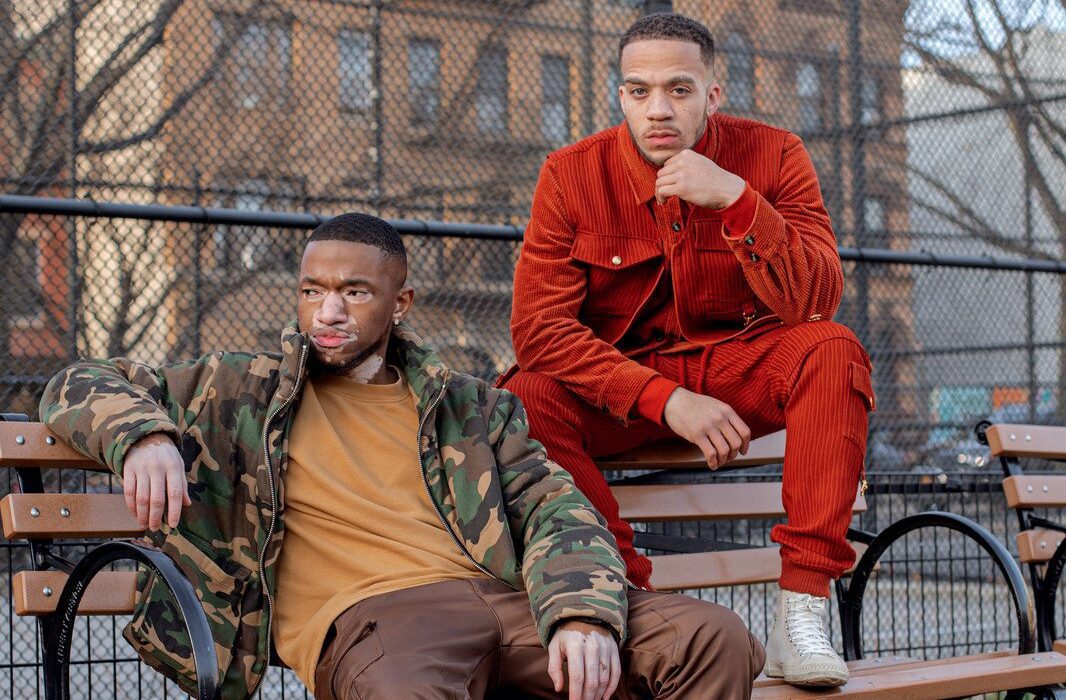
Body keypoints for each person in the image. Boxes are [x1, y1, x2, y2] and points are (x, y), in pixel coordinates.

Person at [40, 213, 764, 699]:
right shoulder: (236, 390)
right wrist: (144, 436)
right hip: (379, 621)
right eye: (313, 291)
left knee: (711, 639)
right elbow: (76, 381)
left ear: (401, 303)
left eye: (354, 292)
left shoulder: (469, 407)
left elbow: (557, 510)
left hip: (509, 602)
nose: (328, 312)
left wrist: (581, 614)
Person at [502, 12, 875, 688]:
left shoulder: (775, 155)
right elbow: (538, 331)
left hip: (739, 365)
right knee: (523, 397)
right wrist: (665, 399)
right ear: (620, 95)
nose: (658, 109)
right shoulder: (570, 174)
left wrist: (737, 200)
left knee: (833, 348)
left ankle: (802, 612)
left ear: (712, 94)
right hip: (624, 386)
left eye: (679, 89)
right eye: (638, 90)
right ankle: (629, 596)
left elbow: (816, 299)